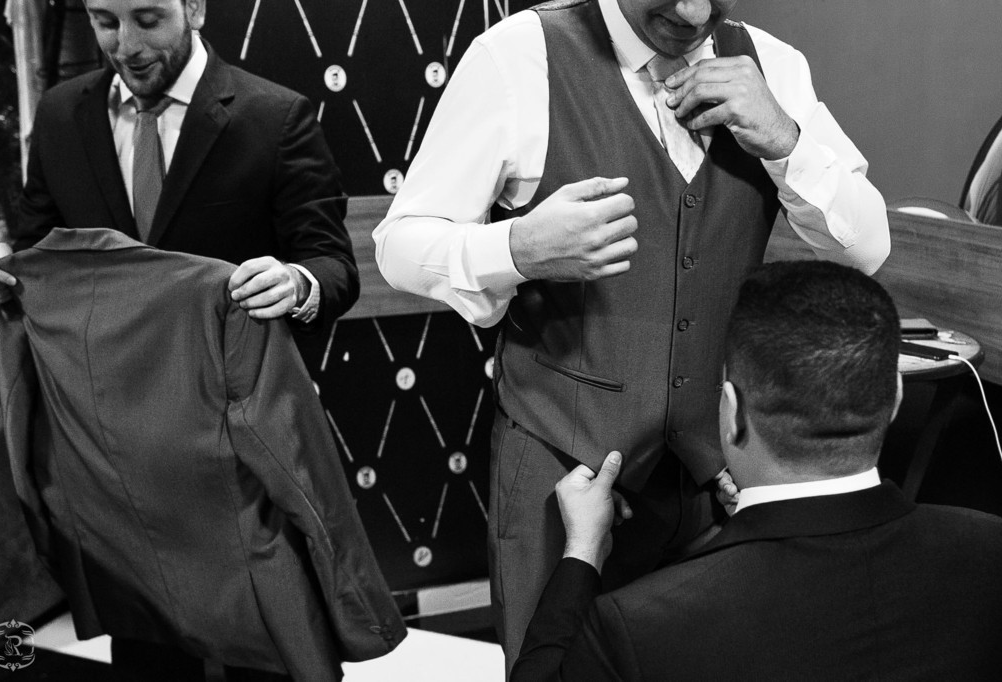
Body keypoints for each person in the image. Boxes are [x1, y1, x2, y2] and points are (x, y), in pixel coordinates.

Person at [373, 0, 891, 668]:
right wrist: (517, 248)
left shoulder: (775, 67)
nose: (694, 11)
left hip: (717, 487)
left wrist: (786, 140)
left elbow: (866, 248)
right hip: (561, 473)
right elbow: (399, 246)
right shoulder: (517, 56)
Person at [511, 260, 1002, 680]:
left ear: (731, 413)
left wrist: (582, 554)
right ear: (894, 397)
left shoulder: (639, 627)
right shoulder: (990, 552)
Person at [0, 228, 406, 682]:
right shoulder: (24, 282)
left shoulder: (30, 290)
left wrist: (300, 282)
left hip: (116, 526)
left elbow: (19, 420)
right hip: (215, 548)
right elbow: (297, 465)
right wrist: (361, 604)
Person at [0, 0, 357, 378]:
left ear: (194, 9)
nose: (127, 46)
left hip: (229, 390)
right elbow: (36, 255)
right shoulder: (59, 114)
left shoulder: (275, 117)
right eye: (106, 23)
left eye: (148, 21)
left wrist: (295, 284)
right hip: (101, 390)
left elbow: (332, 265)